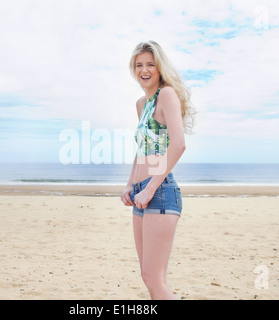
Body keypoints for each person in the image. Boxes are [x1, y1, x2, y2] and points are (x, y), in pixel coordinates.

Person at [121, 40, 195, 300]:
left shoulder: (167, 95)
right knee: (147, 276)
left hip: (160, 191)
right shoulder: (141, 104)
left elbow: (179, 145)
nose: (144, 69)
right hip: (141, 191)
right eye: (139, 64)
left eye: (150, 64)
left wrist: (150, 187)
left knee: (154, 277)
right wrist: (130, 185)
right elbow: (142, 150)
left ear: (160, 68)